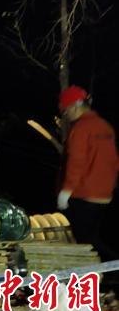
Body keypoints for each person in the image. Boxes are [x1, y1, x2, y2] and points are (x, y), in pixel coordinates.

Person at [57, 85, 119, 260]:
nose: (66, 115)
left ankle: (113, 265)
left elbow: (76, 162)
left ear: (74, 106)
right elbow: (114, 162)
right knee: (91, 238)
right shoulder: (105, 127)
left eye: (65, 111)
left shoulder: (81, 128)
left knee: (83, 242)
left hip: (83, 195)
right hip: (104, 195)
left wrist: (66, 191)